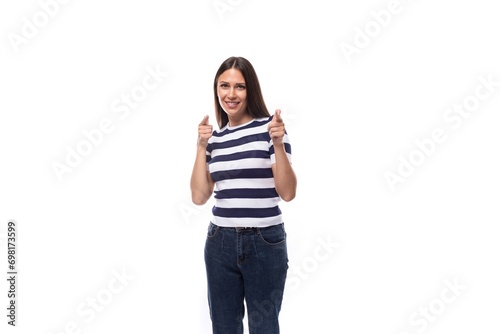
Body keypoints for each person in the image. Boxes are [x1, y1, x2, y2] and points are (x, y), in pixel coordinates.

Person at [190, 56, 297, 334]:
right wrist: (201, 147)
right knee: (224, 327)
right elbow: (199, 197)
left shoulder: (270, 130)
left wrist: (276, 142)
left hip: (264, 242)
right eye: (224, 86)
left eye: (240, 87)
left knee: (264, 327)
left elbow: (287, 192)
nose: (231, 94)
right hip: (220, 242)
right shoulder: (215, 139)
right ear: (217, 89)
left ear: (251, 90)